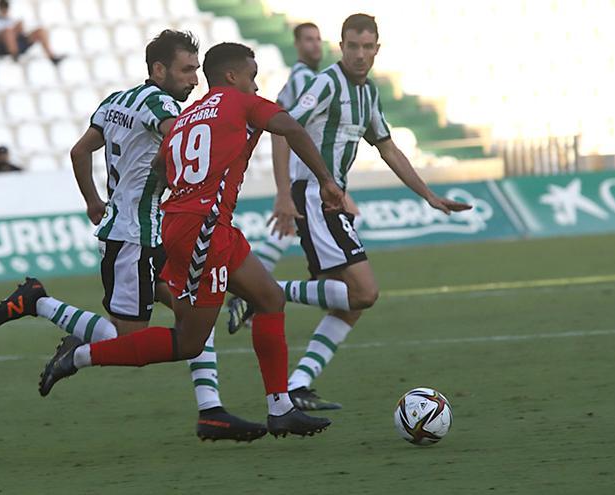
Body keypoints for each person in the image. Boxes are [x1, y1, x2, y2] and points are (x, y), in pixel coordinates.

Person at [37, 42, 346, 438]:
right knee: (189, 341)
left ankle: (280, 407)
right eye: (252, 76)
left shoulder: (188, 115)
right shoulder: (239, 102)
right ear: (233, 77)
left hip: (199, 223)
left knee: (269, 298)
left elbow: (161, 164)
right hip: (204, 229)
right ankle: (80, 356)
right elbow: (289, 127)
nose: (255, 85)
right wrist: (326, 181)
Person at [0, 31, 267, 442]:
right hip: (137, 237)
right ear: (158, 69)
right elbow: (179, 141)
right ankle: (40, 304)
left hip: (147, 233)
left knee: (194, 323)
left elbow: (80, 152)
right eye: (187, 70)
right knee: (129, 341)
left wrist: (93, 201)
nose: (194, 80)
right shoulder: (163, 106)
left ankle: (212, 412)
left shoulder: (115, 101)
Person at [266, 14, 472, 410]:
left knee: (349, 306)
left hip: (331, 197)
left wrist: (428, 195)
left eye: (367, 47)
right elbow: (282, 126)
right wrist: (282, 194)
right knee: (364, 292)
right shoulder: (326, 83)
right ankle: (262, 290)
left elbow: (388, 147)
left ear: (377, 49)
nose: (360, 55)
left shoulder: (368, 93)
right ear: (340, 46)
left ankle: (297, 385)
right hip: (314, 195)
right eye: (353, 46)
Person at [225, 22, 362, 335]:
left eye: (318, 39)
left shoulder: (308, 78)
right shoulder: (305, 80)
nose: (315, 45)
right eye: (308, 40)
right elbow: (288, 131)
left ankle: (250, 293)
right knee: (346, 280)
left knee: (285, 235)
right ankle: (256, 293)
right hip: (308, 180)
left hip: (307, 179)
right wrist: (289, 188)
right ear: (297, 45)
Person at [0, 0, 63, 64]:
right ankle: (15, 56)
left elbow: (22, 33)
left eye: (6, 7)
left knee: (40, 31)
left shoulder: (11, 19)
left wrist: (18, 29)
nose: (4, 10)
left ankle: (51, 56)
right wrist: (12, 31)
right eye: (3, 7)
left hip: (18, 42)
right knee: (8, 32)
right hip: (3, 46)